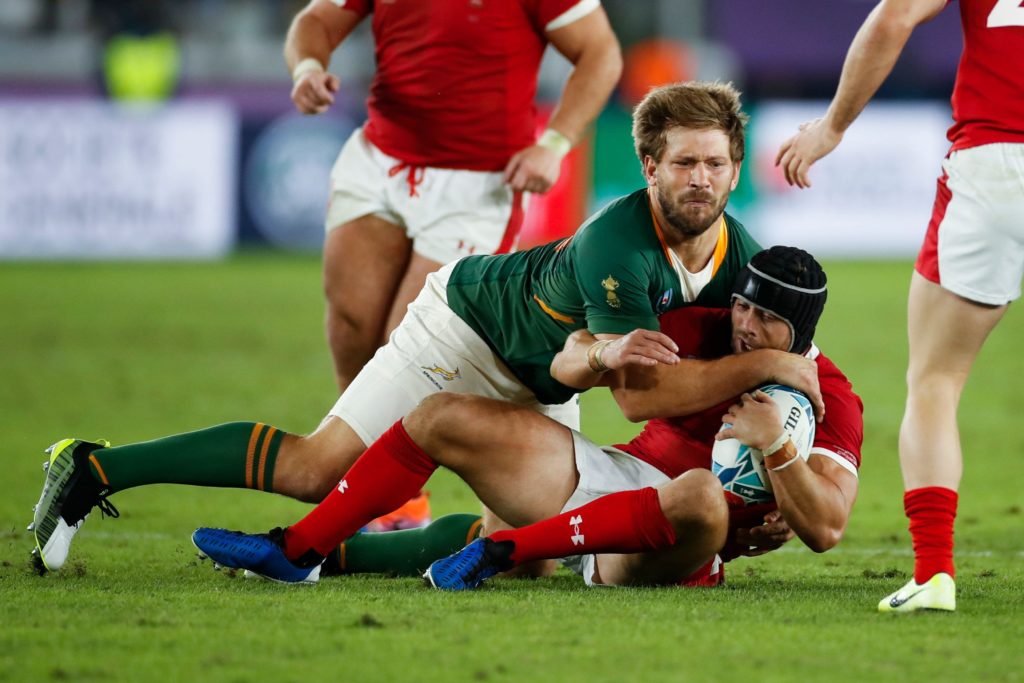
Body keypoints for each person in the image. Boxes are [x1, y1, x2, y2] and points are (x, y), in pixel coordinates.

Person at [31, 82, 819, 575]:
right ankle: (96, 469)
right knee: (313, 467)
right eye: (684, 164)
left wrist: (778, 481)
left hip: (541, 374)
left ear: (738, 167)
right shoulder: (619, 239)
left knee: (530, 551)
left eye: (715, 164)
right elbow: (642, 401)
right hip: (467, 328)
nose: (701, 180)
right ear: (649, 166)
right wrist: (757, 375)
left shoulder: (740, 254)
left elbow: (785, 366)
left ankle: (328, 556)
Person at [191, 246, 863, 587]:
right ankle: (303, 550)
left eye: (768, 317)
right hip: (613, 475)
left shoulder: (834, 396)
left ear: (801, 328)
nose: (745, 324)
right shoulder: (703, 324)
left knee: (698, 494)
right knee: (440, 414)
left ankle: (502, 550)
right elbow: (577, 350)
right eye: (744, 305)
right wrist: (597, 351)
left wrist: (778, 447)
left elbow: (827, 524)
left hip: (678, 544)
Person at [774, 0, 1024, 613]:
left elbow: (893, 18)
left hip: (998, 162)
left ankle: (935, 575)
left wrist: (832, 126)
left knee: (935, 381)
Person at [286, 0, 622, 393]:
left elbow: (601, 52)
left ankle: (372, 448)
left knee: (410, 354)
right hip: (379, 158)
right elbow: (316, 20)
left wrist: (555, 142)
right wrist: (307, 68)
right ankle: (343, 449)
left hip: (477, 184)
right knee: (351, 327)